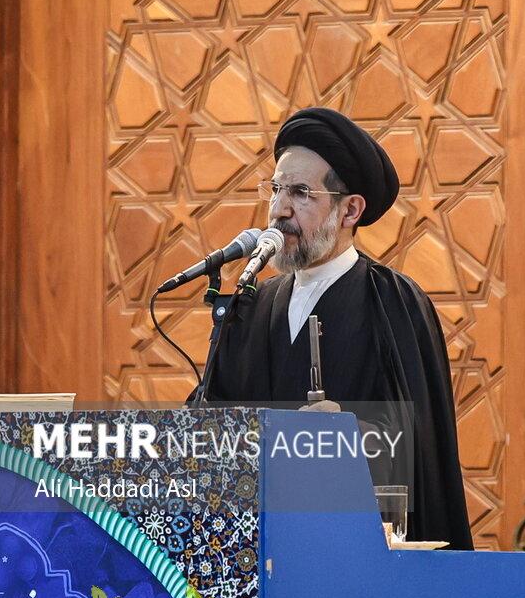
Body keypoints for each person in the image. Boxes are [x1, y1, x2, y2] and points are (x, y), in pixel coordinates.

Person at [189, 107, 473, 550]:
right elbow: (208, 428)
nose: (279, 210)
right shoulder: (251, 304)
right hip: (258, 558)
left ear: (350, 210)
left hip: (355, 556)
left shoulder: (394, 303)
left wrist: (343, 436)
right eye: (276, 189)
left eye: (301, 193)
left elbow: (418, 452)